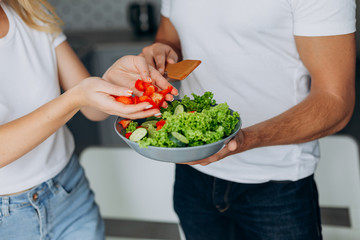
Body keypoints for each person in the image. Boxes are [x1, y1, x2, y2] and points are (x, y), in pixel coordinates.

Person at [140, 0, 357, 239]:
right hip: (192, 176)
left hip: (276, 183)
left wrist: (244, 139)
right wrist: (160, 51)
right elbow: (170, 40)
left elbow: (335, 101)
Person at [0, 0, 176, 239]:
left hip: (69, 193)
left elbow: (94, 110)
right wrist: (75, 98)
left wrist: (113, 81)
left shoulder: (31, 12)